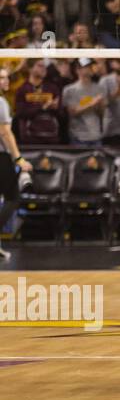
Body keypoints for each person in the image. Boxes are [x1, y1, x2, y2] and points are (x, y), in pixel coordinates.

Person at [0, 67, 33, 260]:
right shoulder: (1, 102)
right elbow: (5, 132)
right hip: (1, 156)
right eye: (1, 78)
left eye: (6, 77)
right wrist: (18, 158)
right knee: (13, 198)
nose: (5, 81)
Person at [61, 58, 107, 147]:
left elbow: (101, 114)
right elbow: (72, 112)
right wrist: (93, 103)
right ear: (78, 70)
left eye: (92, 66)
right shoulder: (70, 90)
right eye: (88, 67)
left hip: (96, 136)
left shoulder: (99, 88)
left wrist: (101, 106)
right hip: (78, 137)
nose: (92, 69)